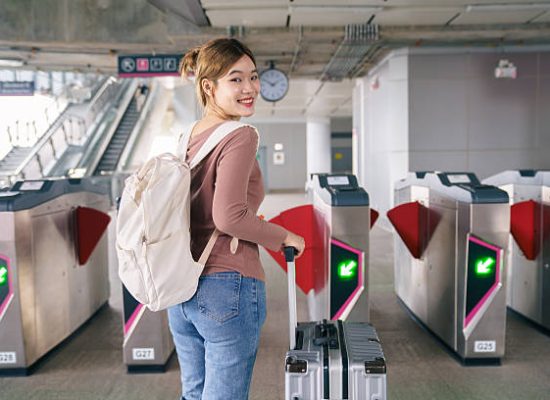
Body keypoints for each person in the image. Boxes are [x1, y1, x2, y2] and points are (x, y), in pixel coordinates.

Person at [168, 37, 306, 400]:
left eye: (254, 77)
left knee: (194, 394)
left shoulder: (186, 137)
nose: (250, 88)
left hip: (181, 289)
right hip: (227, 285)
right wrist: (283, 236)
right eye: (236, 79)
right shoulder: (240, 135)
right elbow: (229, 216)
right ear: (208, 87)